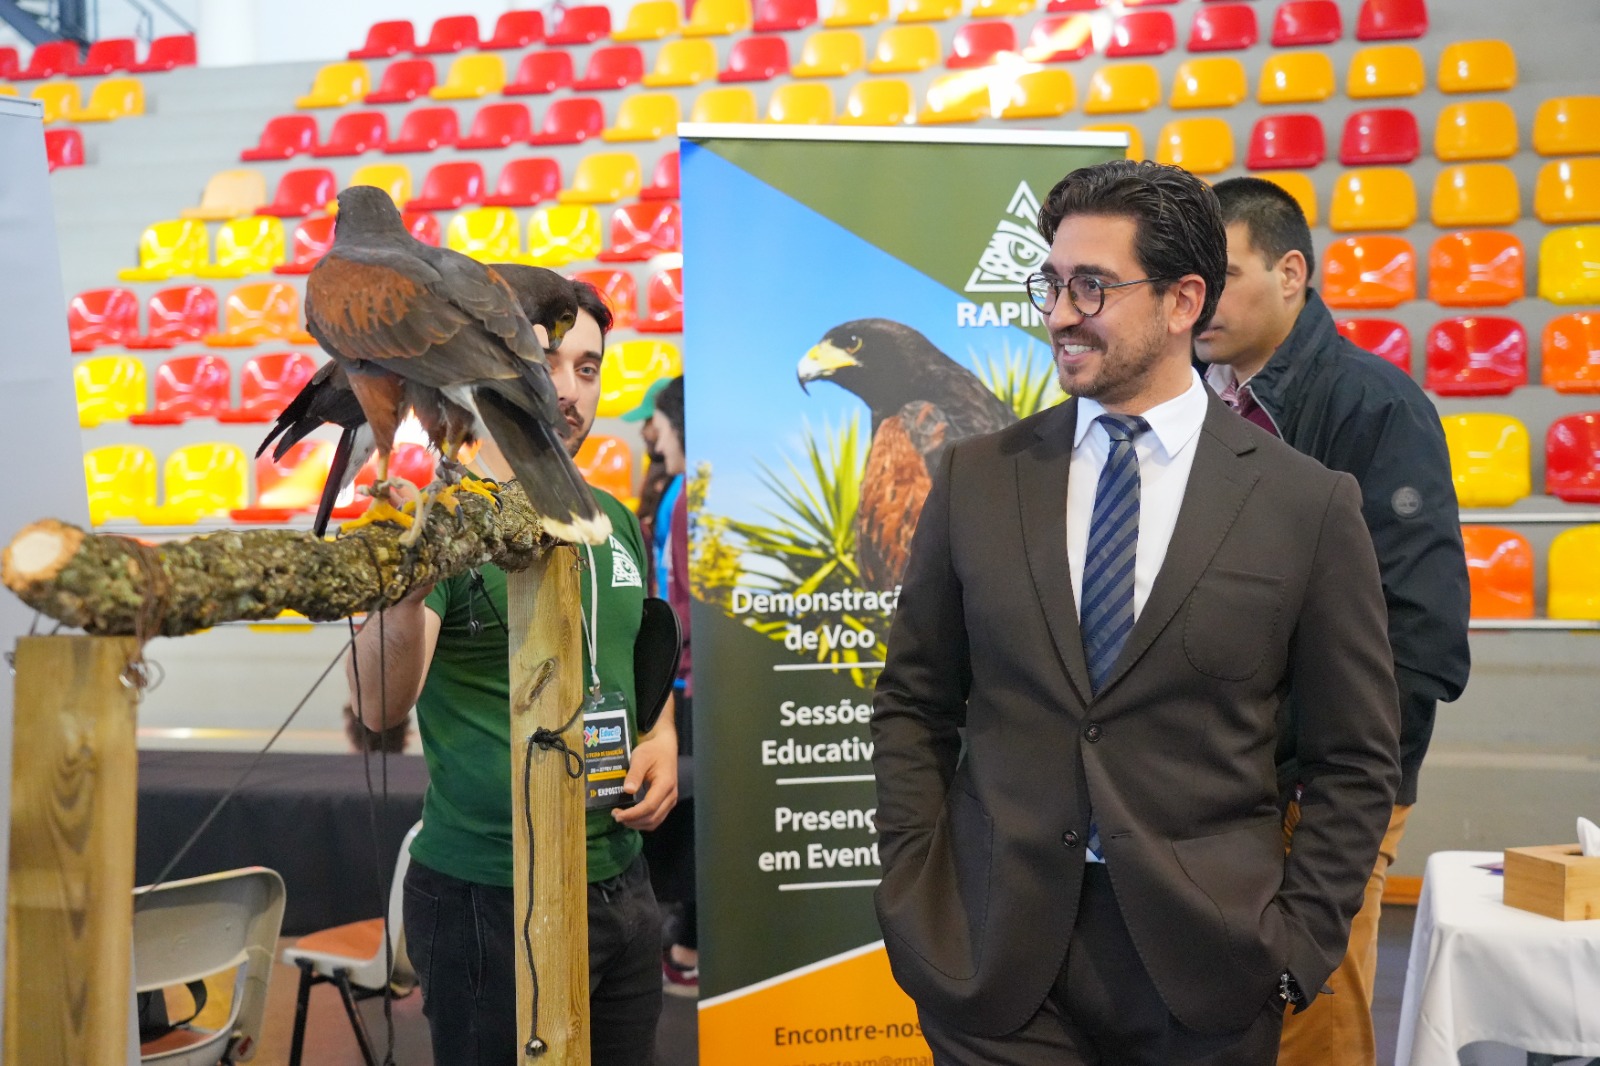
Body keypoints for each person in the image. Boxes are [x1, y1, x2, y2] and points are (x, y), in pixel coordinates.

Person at [870, 159, 1401, 1065]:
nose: (1059, 314)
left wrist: (1297, 948)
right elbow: (914, 703)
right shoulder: (977, 478)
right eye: (1051, 285)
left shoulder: (1306, 504)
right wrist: (918, 894)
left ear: (1183, 301)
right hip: (993, 957)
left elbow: (1354, 757)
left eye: (1092, 287)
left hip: (1208, 969)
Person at [346, 279, 679, 1066]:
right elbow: (377, 705)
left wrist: (660, 737)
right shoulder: (444, 514)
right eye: (547, 361)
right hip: (490, 895)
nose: (569, 389)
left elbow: (638, 656)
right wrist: (406, 589)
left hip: (623, 884)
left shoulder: (613, 516)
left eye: (588, 368)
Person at [1196, 176, 1471, 1066]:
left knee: (1311, 1011)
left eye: (1221, 275)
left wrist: (1341, 779)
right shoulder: (1189, 401)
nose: (1197, 296)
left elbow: (1420, 632)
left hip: (1325, 779)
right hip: (1220, 767)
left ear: (1291, 274)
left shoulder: (1376, 406)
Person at [638, 376, 698, 996]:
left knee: (693, 816)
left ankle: (688, 945)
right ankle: (684, 941)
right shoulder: (679, 491)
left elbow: (687, 597)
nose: (655, 440)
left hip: (687, 678)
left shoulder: (689, 495)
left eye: (659, 424)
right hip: (679, 675)